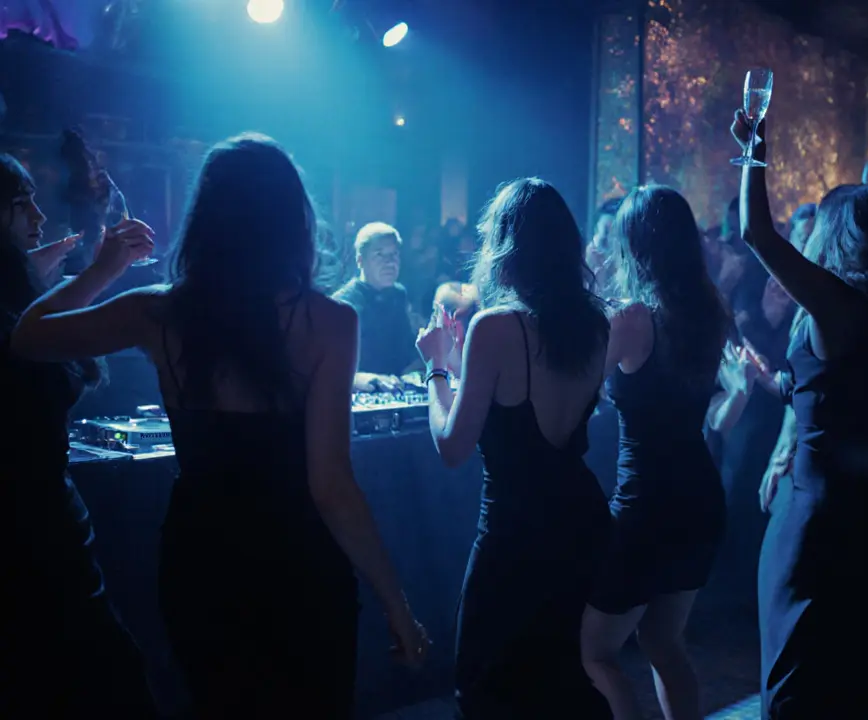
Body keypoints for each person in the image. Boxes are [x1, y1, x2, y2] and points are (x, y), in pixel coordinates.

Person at [12, 134, 426, 717]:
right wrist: (397, 603)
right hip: (300, 565)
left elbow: (28, 336)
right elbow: (332, 487)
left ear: (204, 218)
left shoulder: (157, 311)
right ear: (293, 221)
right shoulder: (329, 321)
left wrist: (104, 269)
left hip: (202, 560)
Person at [733, 114, 868, 718]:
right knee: (857, 668)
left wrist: (755, 153)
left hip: (820, 514)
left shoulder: (837, 303)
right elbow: (840, 394)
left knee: (798, 680)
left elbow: (756, 233)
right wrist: (786, 396)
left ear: (834, 234)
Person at [415, 177, 612, 718]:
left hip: (515, 537)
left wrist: (435, 366)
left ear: (505, 248)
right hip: (581, 527)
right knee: (562, 686)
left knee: (488, 689)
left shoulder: (496, 326)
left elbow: (453, 445)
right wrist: (461, 370)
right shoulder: (596, 325)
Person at [0, 153, 155, 717]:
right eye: (24, 203)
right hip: (29, 522)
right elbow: (27, 348)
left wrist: (34, 277)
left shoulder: (18, 281)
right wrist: (99, 274)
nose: (39, 217)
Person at [580, 186, 729, 720]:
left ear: (633, 244)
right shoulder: (709, 310)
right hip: (699, 497)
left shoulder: (632, 319)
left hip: (647, 505)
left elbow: (582, 392)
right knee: (664, 644)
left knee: (594, 652)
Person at [332, 222, 420, 392]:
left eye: (394, 254)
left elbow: (406, 351)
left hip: (398, 393)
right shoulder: (342, 304)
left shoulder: (399, 295)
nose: (390, 262)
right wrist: (361, 379)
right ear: (360, 261)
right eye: (380, 255)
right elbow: (331, 367)